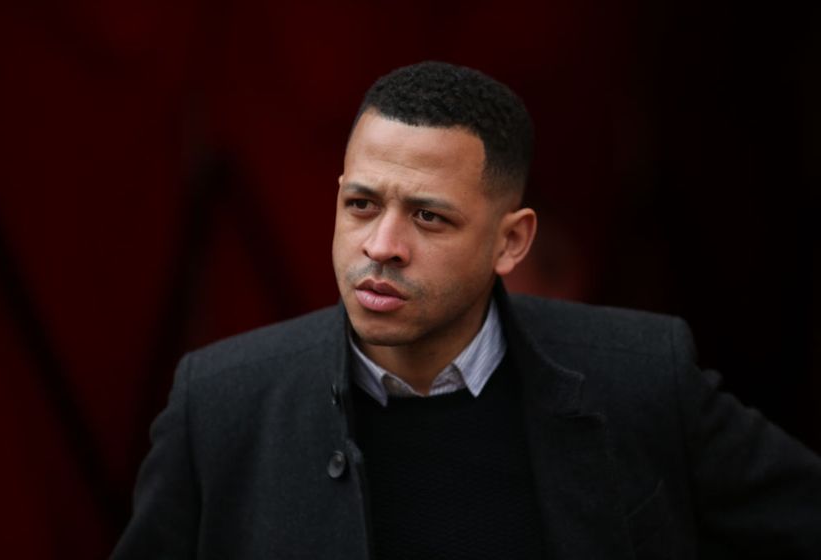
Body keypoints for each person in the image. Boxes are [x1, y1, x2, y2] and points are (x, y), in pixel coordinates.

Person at [112, 61, 821, 559]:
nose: (382, 246)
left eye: (429, 217)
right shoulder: (221, 403)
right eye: (361, 205)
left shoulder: (642, 378)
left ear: (511, 242)